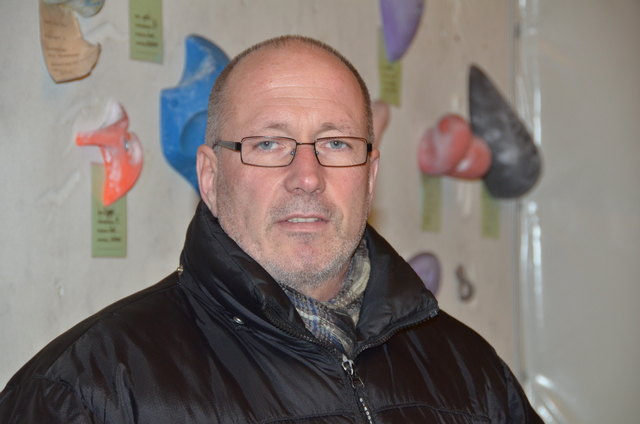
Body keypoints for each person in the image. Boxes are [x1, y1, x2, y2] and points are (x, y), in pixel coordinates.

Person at [0, 35, 542, 423]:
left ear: (370, 176)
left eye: (336, 143)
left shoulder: (473, 375)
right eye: (268, 143)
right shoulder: (86, 391)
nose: (307, 176)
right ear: (210, 177)